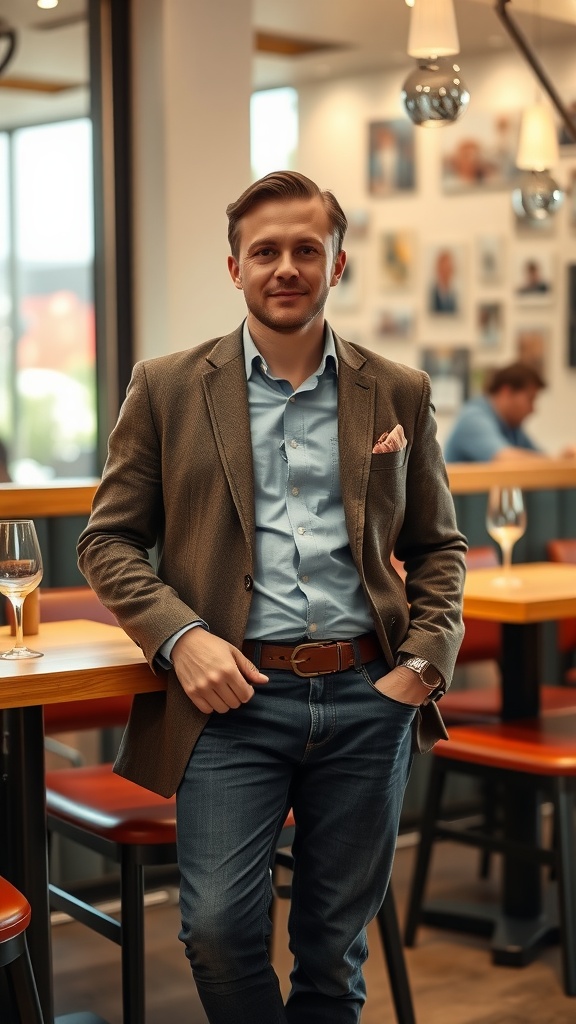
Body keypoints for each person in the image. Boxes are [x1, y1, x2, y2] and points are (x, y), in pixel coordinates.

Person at [78, 170, 467, 1024]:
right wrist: (182, 638)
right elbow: (105, 541)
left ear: (337, 265)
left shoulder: (398, 390)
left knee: (334, 950)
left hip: (371, 697)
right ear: (234, 268)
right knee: (217, 931)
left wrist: (421, 667)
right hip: (232, 701)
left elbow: (437, 548)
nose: (285, 266)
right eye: (265, 251)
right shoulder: (169, 386)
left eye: (306, 249)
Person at [444, 361, 575, 462]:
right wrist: (558, 460)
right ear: (506, 392)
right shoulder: (473, 419)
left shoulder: (511, 428)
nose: (533, 409)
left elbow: (537, 459)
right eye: (530, 399)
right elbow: (503, 460)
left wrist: (561, 460)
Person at [429, 248, 458, 313]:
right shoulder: (431, 294)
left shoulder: (455, 296)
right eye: (443, 268)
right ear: (438, 269)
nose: (446, 272)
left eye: (448, 268)